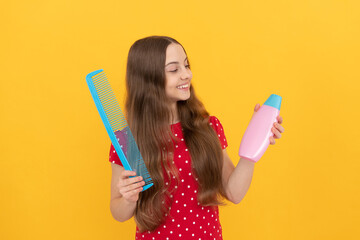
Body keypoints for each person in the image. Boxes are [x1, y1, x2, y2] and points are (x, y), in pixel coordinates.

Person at [108, 36, 284, 240]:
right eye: (174, 70)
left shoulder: (207, 127)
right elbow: (117, 211)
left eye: (186, 65)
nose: (187, 74)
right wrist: (129, 199)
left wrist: (254, 144)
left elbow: (234, 193)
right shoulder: (128, 140)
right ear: (148, 78)